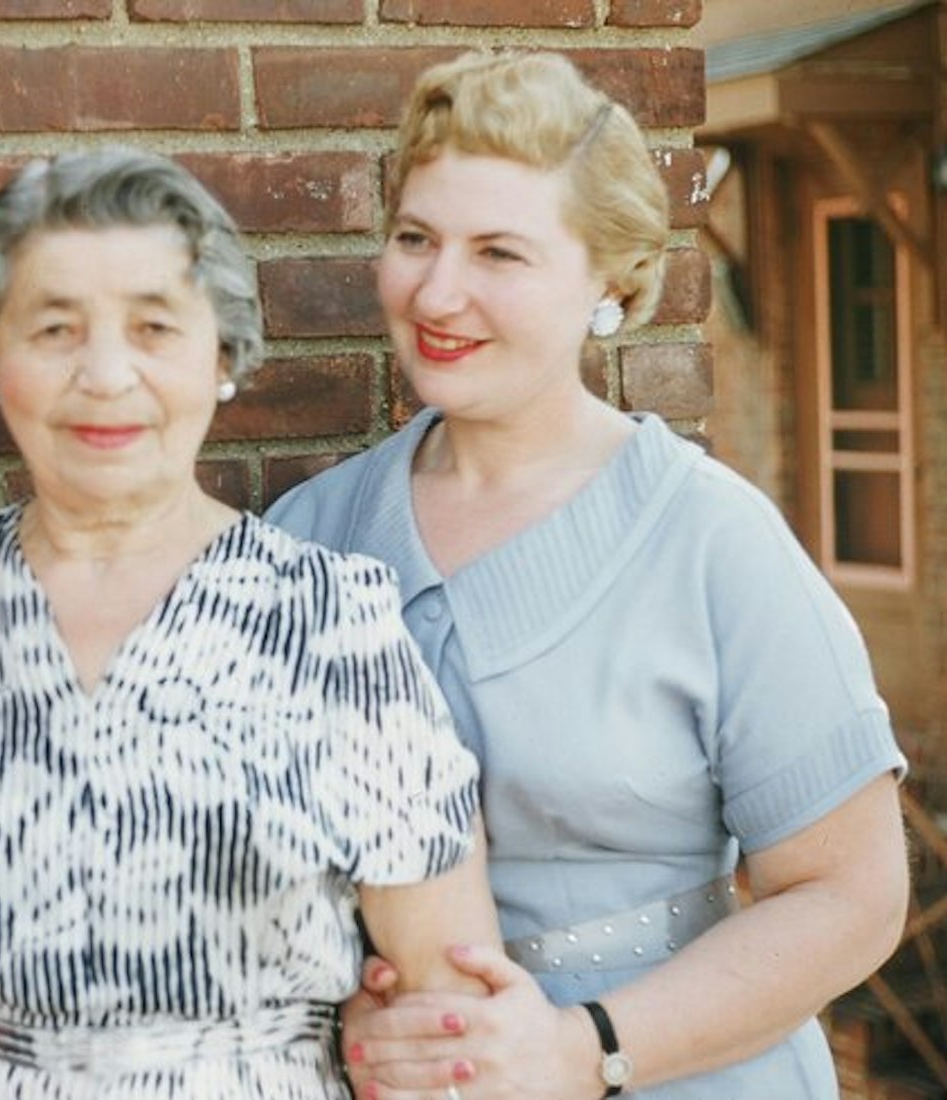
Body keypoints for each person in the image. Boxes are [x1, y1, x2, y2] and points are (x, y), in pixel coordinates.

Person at [266, 50, 910, 1099]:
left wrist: (583, 1046)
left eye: (499, 253)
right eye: (415, 238)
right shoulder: (306, 539)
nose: (438, 289)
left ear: (610, 281)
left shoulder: (712, 541)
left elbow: (856, 895)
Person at [0, 146, 500, 1099]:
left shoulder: (327, 621)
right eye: (54, 328)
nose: (105, 375)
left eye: (154, 327)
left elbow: (443, 1004)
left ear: (221, 355)